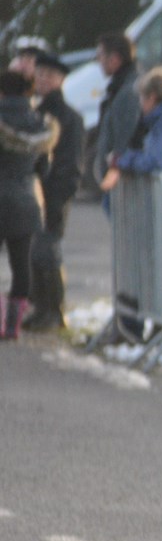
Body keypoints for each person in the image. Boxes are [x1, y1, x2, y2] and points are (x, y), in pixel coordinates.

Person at [21, 52, 85, 333]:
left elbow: (69, 161)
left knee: (48, 249)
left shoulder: (67, 117)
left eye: (49, 75)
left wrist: (58, 191)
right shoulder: (36, 110)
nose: (43, 80)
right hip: (34, 190)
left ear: (60, 80)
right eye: (40, 74)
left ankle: (54, 308)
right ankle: (40, 307)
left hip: (54, 191)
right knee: (35, 250)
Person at [0, 70, 59, 340]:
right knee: (21, 265)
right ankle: (12, 326)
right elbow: (43, 169)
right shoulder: (39, 125)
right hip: (25, 202)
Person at [93, 32, 142, 206]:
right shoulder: (121, 87)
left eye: (100, 55)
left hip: (121, 184)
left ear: (114, 59)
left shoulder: (128, 92)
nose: (98, 61)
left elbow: (124, 139)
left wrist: (113, 172)